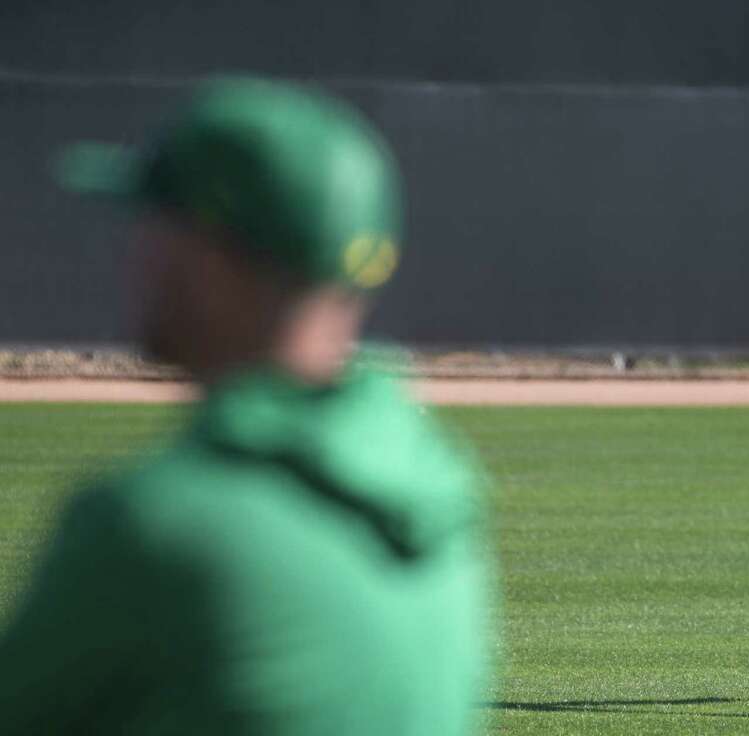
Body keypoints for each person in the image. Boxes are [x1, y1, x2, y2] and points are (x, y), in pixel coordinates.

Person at [0, 78, 493, 734]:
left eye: (155, 223)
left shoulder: (157, 528)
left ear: (209, 251)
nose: (136, 252)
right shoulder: (441, 503)